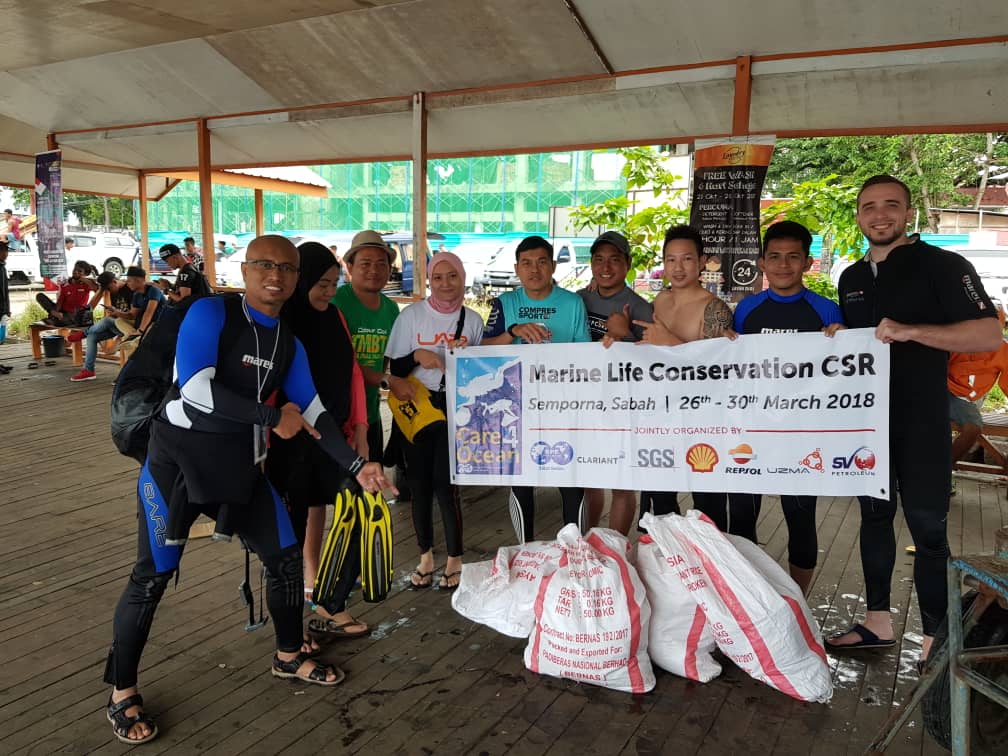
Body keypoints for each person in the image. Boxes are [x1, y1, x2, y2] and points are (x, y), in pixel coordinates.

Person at [103, 235, 394, 745]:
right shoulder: (210, 314)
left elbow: (314, 413)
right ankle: (121, 691)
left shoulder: (288, 341)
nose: (275, 276)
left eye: (286, 268)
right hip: (176, 469)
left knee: (283, 558)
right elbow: (195, 387)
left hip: (238, 466)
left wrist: (359, 464)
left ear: (296, 279)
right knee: (153, 577)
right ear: (245, 269)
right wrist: (268, 415)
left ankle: (287, 654)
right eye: (264, 265)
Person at [828, 175, 1001, 663]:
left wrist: (913, 332)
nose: (879, 215)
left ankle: (933, 639)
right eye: (869, 207)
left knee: (928, 529)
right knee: (874, 518)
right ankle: (877, 622)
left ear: (907, 213)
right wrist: (839, 336)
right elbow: (860, 346)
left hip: (923, 420)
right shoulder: (852, 277)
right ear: (858, 215)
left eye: (890, 206)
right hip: (867, 425)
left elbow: (988, 334)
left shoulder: (944, 265)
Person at [729, 220, 844, 594]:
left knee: (800, 515)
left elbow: (844, 374)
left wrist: (841, 343)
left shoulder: (827, 312)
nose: (783, 265)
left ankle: (798, 601)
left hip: (801, 434)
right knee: (743, 516)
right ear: (762, 262)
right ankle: (749, 597)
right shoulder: (747, 310)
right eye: (775, 257)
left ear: (807, 263)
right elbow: (732, 366)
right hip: (753, 430)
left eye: (793, 257)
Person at [266, 242, 370, 639]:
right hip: (290, 445)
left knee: (359, 506)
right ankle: (293, 632)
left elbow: (354, 375)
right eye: (322, 284)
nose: (329, 291)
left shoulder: (337, 317)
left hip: (335, 439)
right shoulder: (285, 321)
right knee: (286, 537)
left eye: (334, 283)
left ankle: (331, 600)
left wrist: (359, 430)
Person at [483, 235, 591, 542]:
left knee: (571, 479)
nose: (534, 270)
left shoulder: (572, 303)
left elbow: (586, 355)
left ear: (553, 266)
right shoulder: (505, 304)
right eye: (527, 263)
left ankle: (575, 551)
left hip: (562, 406)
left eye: (542, 262)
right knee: (522, 480)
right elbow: (481, 349)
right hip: (516, 408)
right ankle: (525, 550)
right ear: (517, 269)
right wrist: (513, 331)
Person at [387, 252, 484, 589]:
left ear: (462, 277)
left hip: (455, 411)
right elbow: (392, 370)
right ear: (429, 279)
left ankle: (455, 558)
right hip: (416, 409)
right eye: (438, 277)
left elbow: (480, 373)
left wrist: (463, 354)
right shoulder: (412, 317)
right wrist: (416, 355)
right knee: (419, 487)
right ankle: (425, 555)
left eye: (452, 276)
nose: (445, 284)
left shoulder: (471, 320)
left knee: (447, 487)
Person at [632, 225, 734, 528]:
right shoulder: (660, 301)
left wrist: (672, 343)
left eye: (687, 259)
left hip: (703, 420)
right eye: (671, 259)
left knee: (708, 507)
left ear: (702, 261)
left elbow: (714, 373)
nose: (678, 267)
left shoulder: (715, 309)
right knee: (660, 505)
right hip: (661, 417)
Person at [576, 230, 654, 535]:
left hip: (625, 407)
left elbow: (654, 363)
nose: (606, 267)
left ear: (627, 264)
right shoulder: (579, 299)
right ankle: (590, 543)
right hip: (584, 404)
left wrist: (625, 336)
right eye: (599, 259)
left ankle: (618, 549)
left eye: (614, 260)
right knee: (589, 480)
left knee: (623, 482)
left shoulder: (639, 307)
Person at [332, 231, 412, 486]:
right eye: (365, 263)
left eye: (381, 264)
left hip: (371, 414)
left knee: (371, 489)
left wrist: (386, 379)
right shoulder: (336, 305)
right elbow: (343, 366)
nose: (374, 270)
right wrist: (387, 379)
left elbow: (387, 357)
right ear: (349, 267)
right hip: (340, 417)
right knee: (343, 493)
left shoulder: (390, 309)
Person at [946, 305, 1008, 473]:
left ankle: (944, 471)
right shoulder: (957, 339)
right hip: (944, 390)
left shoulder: (1003, 350)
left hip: (967, 398)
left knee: (973, 427)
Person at [67, 271, 138, 381]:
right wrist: (113, 312)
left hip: (131, 327)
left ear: (114, 282)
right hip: (118, 324)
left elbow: (132, 315)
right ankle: (88, 370)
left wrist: (116, 313)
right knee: (92, 337)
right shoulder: (114, 291)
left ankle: (84, 333)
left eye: (109, 288)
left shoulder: (130, 290)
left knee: (105, 321)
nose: (108, 291)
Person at [36, 259, 98, 326]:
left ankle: (56, 319)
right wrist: (55, 312)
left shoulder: (86, 284)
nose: (76, 272)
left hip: (76, 314)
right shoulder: (65, 283)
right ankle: (55, 316)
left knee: (70, 320)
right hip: (62, 311)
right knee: (40, 296)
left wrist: (83, 279)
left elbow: (96, 289)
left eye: (80, 271)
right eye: (75, 269)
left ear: (85, 274)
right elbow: (60, 301)